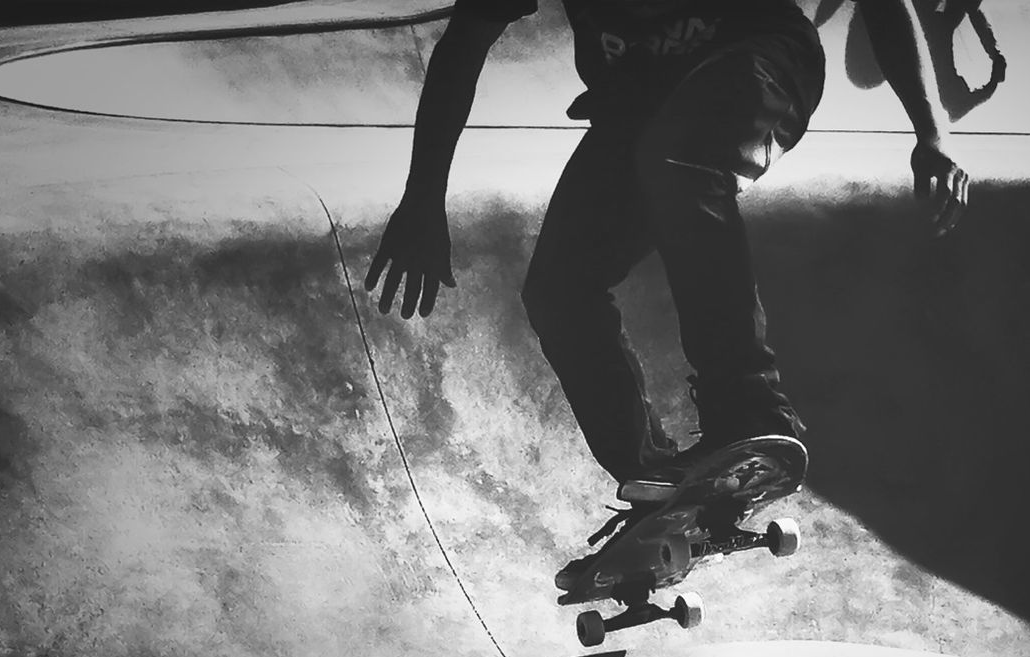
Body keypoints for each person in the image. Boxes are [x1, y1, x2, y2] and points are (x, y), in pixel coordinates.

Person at [365, 0, 968, 589]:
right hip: (639, 100)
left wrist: (930, 133)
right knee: (559, 287)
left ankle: (751, 407)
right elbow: (465, 44)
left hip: (757, 53)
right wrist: (422, 198)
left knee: (678, 157)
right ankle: (659, 487)